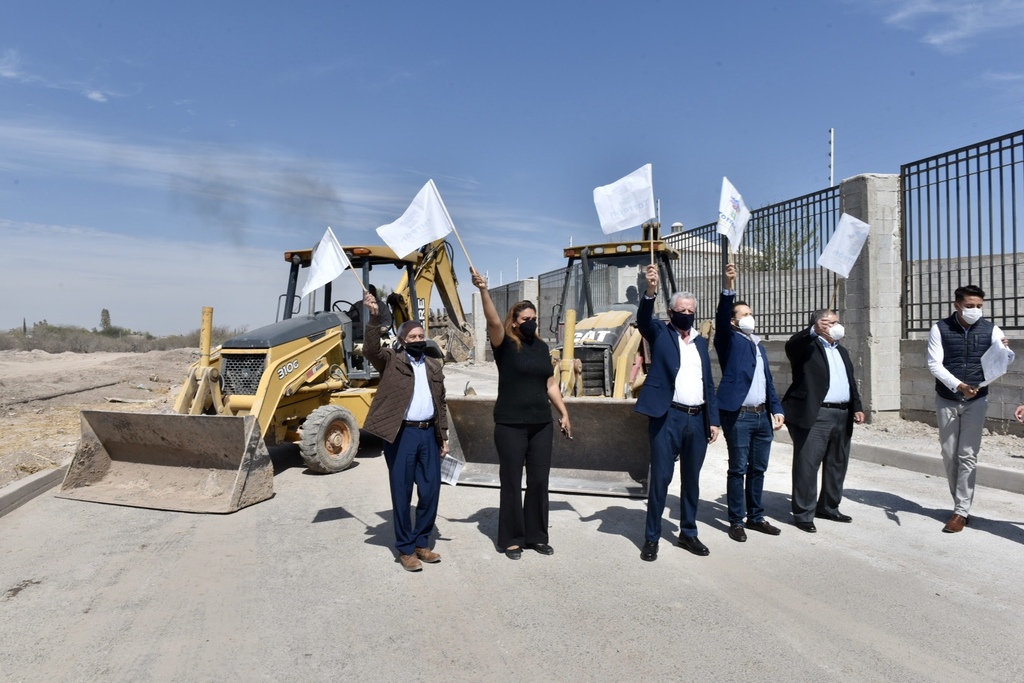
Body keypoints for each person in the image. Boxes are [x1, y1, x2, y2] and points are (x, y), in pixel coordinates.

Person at [471, 268, 572, 560]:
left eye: (534, 318)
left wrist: (564, 412)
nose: (531, 323)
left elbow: (550, 384)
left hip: (541, 425)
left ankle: (537, 536)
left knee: (539, 481)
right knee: (512, 482)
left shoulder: (541, 348)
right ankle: (512, 539)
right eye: (525, 319)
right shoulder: (504, 345)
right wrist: (484, 290)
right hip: (510, 424)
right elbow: (491, 319)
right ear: (514, 323)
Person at [635, 264, 720, 561]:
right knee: (660, 479)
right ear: (671, 312)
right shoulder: (660, 332)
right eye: (681, 309)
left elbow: (708, 383)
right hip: (667, 417)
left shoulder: (699, 341)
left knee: (692, 480)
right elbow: (643, 319)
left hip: (697, 420)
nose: (686, 314)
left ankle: (688, 533)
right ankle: (652, 537)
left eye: (691, 309)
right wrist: (650, 290)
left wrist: (715, 421)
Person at [361, 290, 448, 572]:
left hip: (428, 435)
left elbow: (441, 403)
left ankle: (423, 542)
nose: (418, 340)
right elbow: (371, 349)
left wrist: (443, 436)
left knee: (431, 490)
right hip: (402, 435)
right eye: (412, 337)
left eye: (421, 336)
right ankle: (406, 548)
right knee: (402, 492)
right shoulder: (391, 361)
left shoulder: (434, 365)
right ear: (401, 341)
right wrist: (374, 317)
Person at [926, 285, 1013, 533]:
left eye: (979, 306)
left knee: (967, 455)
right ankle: (959, 503)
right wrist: (958, 385)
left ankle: (960, 511)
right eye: (970, 306)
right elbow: (934, 364)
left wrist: (1006, 350)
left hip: (977, 399)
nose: (975, 310)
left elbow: (1003, 361)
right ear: (957, 305)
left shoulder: (992, 329)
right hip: (948, 398)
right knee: (949, 453)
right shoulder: (940, 329)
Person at [714, 263, 785, 543]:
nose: (750, 318)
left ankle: (756, 517)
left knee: (758, 469)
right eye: (744, 314)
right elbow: (721, 317)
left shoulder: (758, 345)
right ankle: (736, 520)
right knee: (738, 468)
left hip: (761, 417)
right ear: (734, 321)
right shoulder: (728, 340)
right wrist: (728, 287)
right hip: (739, 417)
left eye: (751, 314)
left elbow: (768, 381)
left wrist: (776, 408)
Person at [782, 309, 865, 533]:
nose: (835, 326)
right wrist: (812, 332)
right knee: (808, 465)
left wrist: (857, 406)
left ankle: (829, 506)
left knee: (837, 463)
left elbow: (850, 382)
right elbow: (793, 344)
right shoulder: (806, 347)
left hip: (842, 413)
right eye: (829, 322)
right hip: (816, 414)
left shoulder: (843, 351)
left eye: (837, 322)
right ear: (818, 324)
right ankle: (803, 513)